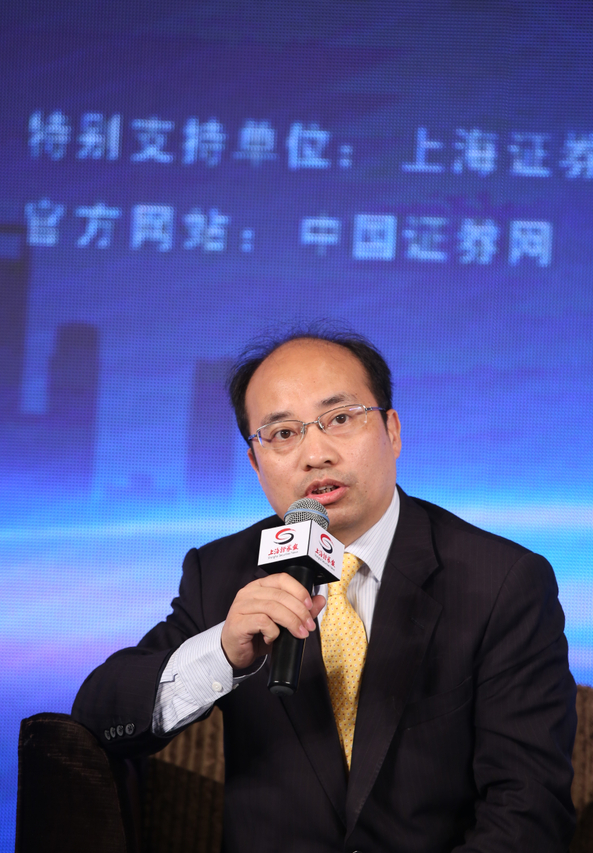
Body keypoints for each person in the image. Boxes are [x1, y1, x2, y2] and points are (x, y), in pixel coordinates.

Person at [72, 328, 577, 853]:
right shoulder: (222, 571)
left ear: (392, 431)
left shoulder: (501, 580)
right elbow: (97, 719)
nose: (315, 454)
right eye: (282, 433)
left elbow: (528, 809)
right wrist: (221, 653)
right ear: (255, 464)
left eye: (339, 419)